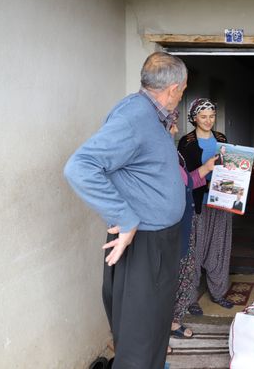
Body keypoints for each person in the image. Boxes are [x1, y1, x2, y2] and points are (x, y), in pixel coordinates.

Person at [63, 51, 188, 368]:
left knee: (154, 325)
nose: (181, 95)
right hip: (144, 240)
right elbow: (80, 167)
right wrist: (126, 218)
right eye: (183, 90)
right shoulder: (135, 116)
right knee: (138, 334)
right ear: (173, 89)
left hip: (157, 240)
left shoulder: (152, 115)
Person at [176, 98, 235, 316]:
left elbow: (229, 168)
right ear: (194, 118)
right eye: (203, 116)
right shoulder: (186, 142)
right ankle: (191, 298)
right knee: (195, 249)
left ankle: (218, 293)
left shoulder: (221, 139)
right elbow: (185, 177)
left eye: (212, 116)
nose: (208, 120)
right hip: (197, 202)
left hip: (221, 199)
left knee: (219, 247)